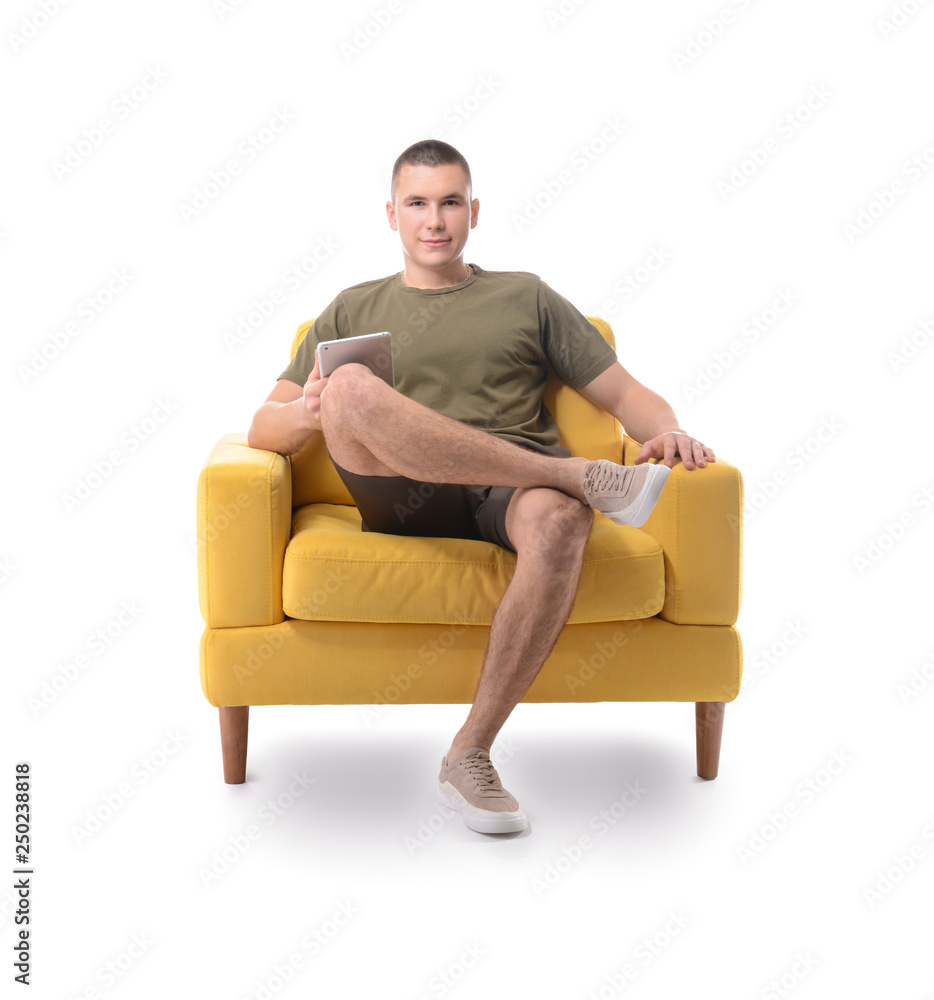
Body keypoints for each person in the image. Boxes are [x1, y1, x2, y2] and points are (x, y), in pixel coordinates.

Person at [248, 139, 715, 836]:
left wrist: (671, 428)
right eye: (417, 204)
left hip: (507, 494)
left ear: (474, 211)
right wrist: (307, 412)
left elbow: (625, 394)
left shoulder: (525, 295)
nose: (434, 220)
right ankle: (574, 476)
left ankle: (469, 753)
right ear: (391, 215)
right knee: (348, 387)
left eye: (449, 202)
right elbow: (261, 426)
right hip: (396, 489)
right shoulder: (351, 306)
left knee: (562, 522)